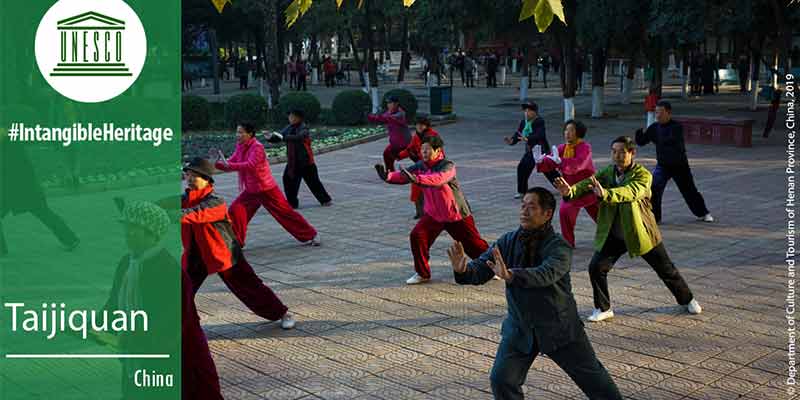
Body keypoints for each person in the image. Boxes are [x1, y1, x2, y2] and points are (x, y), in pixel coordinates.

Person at [449, 188, 623, 400]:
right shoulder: (507, 241)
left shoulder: (559, 247)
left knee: (597, 383)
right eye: (523, 205)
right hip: (520, 328)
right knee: (502, 380)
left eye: (532, 207)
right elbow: (480, 269)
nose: (524, 211)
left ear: (547, 213)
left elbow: (545, 274)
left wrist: (512, 275)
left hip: (560, 328)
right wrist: (463, 270)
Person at [554, 136, 703, 323]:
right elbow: (588, 183)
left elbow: (631, 191)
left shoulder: (643, 175)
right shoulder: (608, 172)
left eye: (622, 152)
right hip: (614, 233)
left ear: (632, 153)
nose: (617, 156)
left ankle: (687, 299)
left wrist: (606, 194)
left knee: (666, 270)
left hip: (639, 231)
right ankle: (603, 308)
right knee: (596, 267)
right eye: (614, 151)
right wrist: (570, 191)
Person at [102, 200, 224, 400]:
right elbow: (114, 303)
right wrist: (95, 326)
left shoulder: (167, 270)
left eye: (135, 229)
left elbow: (173, 321)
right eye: (127, 228)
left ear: (153, 234)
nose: (128, 234)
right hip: (139, 350)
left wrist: (146, 346)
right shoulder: (126, 263)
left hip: (174, 353)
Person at [180, 157, 297, 329]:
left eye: (193, 176)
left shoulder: (215, 202)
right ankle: (180, 326)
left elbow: (193, 213)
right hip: (195, 254)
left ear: (206, 179)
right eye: (187, 175)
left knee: (249, 286)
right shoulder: (184, 198)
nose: (189, 180)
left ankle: (282, 313)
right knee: (181, 289)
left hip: (224, 253)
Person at [375, 136, 489, 285]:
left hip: (455, 214)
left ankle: (491, 267)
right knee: (417, 236)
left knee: (475, 245)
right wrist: (388, 177)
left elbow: (438, 179)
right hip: (433, 215)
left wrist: (417, 179)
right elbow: (404, 176)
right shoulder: (421, 165)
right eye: (422, 150)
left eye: (427, 149)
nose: (424, 152)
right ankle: (422, 273)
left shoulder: (447, 165)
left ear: (437, 150)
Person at [212, 123, 320, 246]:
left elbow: (250, 165)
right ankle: (236, 242)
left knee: (285, 213)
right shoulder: (240, 146)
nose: (238, 135)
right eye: (237, 132)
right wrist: (218, 163)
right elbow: (233, 161)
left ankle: (311, 235)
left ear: (250, 134)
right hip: (251, 190)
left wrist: (228, 165)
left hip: (266, 189)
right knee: (236, 211)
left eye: (241, 132)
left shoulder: (257, 147)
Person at [635, 100, 713, 223]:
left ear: (668, 113)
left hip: (680, 166)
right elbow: (642, 142)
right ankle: (655, 217)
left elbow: (668, 140)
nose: (658, 115)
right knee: (654, 189)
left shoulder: (676, 127)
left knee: (689, 191)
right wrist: (639, 135)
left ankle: (703, 213)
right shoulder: (655, 127)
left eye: (660, 113)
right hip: (663, 166)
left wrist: (655, 138)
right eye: (656, 113)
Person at [535, 120, 598, 248]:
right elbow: (551, 162)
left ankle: (613, 237)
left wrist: (560, 161)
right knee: (565, 212)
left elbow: (578, 165)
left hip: (588, 189)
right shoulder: (562, 148)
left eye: (571, 130)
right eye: (566, 130)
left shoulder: (585, 147)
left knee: (602, 217)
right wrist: (540, 161)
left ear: (578, 133)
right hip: (570, 191)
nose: (567, 133)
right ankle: (568, 243)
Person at [266, 109, 333, 209]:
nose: (290, 118)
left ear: (299, 118)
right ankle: (292, 204)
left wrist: (284, 137)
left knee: (314, 182)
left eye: (292, 117)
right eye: (289, 116)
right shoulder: (289, 128)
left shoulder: (304, 128)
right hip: (293, 161)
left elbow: (298, 137)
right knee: (288, 181)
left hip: (306, 162)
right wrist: (270, 138)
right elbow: (280, 136)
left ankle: (325, 200)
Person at [504, 101, 556, 199]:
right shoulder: (524, 122)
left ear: (535, 112)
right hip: (530, 151)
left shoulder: (539, 121)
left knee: (549, 171)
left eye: (529, 111)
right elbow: (518, 134)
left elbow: (540, 135)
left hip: (541, 151)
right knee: (522, 168)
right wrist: (511, 141)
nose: (526, 113)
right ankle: (522, 191)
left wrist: (528, 138)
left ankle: (563, 185)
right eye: (525, 111)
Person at [396, 116, 441, 219]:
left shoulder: (433, 135)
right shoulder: (416, 137)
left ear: (426, 125)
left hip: (433, 165)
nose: (419, 127)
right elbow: (409, 149)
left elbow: (438, 152)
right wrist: (399, 156)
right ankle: (420, 212)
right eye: (417, 124)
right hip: (420, 165)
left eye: (422, 124)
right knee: (416, 188)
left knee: (438, 190)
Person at [368, 96, 411, 172]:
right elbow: (380, 118)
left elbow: (389, 117)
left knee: (415, 156)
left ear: (396, 104)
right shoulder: (389, 112)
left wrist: (379, 115)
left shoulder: (401, 113)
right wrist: (369, 115)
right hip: (395, 144)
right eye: (388, 103)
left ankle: (426, 169)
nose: (388, 105)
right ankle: (390, 172)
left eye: (390, 103)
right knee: (387, 154)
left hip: (405, 143)